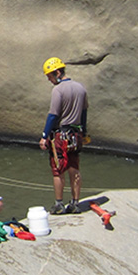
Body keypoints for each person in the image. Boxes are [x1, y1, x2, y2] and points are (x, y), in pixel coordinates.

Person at [38, 57, 88, 215]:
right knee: (74, 167)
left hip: (61, 135)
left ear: (57, 72)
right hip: (76, 134)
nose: (49, 80)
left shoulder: (58, 90)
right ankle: (75, 203)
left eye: (50, 76)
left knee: (58, 169)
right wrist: (84, 132)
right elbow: (84, 112)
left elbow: (53, 115)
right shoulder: (81, 88)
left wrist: (45, 136)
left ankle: (59, 204)